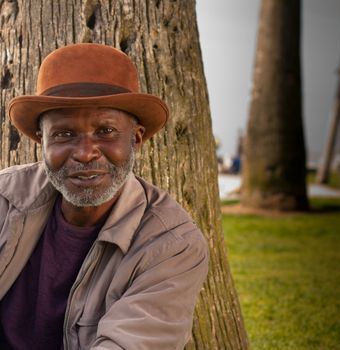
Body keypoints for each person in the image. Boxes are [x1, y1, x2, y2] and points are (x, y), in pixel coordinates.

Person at [0, 43, 209, 349]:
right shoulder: (5, 200)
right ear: (41, 142)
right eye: (63, 134)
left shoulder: (172, 245)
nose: (85, 154)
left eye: (106, 132)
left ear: (135, 139)